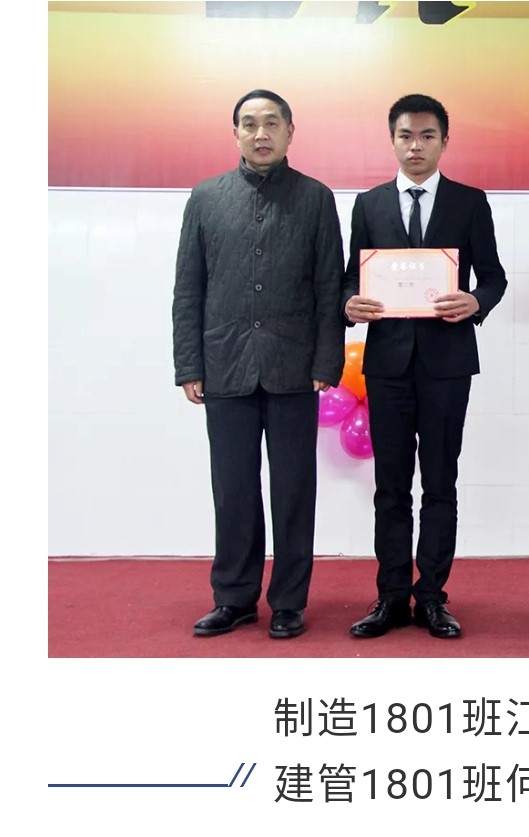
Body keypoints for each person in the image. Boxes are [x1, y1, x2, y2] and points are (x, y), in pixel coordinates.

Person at [173, 89, 345, 639]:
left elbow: (329, 286)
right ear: (236, 134)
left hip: (294, 368)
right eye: (249, 124)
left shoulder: (316, 198)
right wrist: (189, 364)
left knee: (293, 491)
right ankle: (234, 598)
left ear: (291, 131)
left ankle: (289, 601)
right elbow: (188, 288)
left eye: (272, 123)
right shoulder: (206, 198)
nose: (261, 133)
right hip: (224, 365)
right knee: (233, 489)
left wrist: (326, 360)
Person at [343, 94, 507, 639]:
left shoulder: (469, 202)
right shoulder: (368, 204)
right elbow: (350, 278)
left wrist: (476, 301)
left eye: (427, 136)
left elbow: (494, 277)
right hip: (386, 365)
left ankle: (432, 596)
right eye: (406, 136)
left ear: (444, 141)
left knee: (440, 483)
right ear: (392, 140)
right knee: (390, 487)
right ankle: (391, 596)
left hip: (447, 364)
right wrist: (349, 303)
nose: (416, 146)